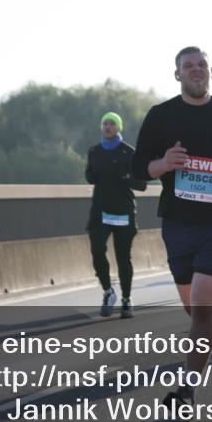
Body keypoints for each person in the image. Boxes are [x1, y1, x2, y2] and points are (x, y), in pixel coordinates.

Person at [131, 46, 212, 411]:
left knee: (203, 306)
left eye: (201, 65)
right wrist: (162, 163)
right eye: (188, 66)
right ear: (177, 75)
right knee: (194, 307)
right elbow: (138, 168)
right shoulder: (161, 116)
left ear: (210, 71)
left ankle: (186, 391)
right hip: (178, 221)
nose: (195, 70)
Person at [86, 112, 147, 318]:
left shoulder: (129, 153)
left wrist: (125, 177)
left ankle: (127, 300)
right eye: (105, 124)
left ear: (119, 127)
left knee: (123, 258)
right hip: (100, 211)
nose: (108, 127)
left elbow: (142, 184)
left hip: (122, 212)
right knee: (97, 249)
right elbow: (89, 176)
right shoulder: (94, 151)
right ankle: (108, 291)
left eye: (112, 124)